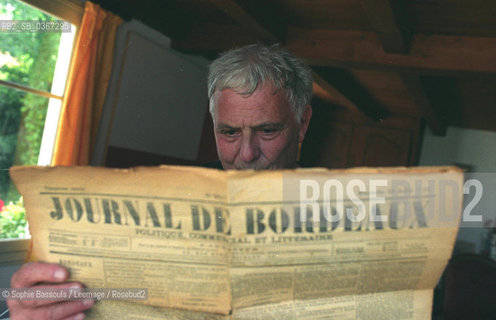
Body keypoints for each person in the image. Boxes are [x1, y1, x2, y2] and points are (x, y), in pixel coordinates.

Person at [8, 43, 313, 319]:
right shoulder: (169, 196)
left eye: (267, 131)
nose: (246, 154)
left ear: (301, 125)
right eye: (230, 132)